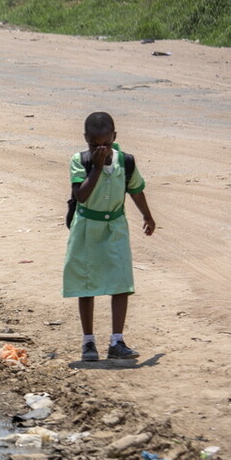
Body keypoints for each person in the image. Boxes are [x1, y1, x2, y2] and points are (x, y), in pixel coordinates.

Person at [63, 112, 155, 362]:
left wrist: (147, 216)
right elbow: (81, 196)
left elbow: (135, 190)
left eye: (106, 143)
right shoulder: (79, 160)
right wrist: (95, 166)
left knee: (121, 282)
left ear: (115, 137)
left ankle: (117, 341)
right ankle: (88, 342)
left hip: (115, 226)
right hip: (86, 227)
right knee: (86, 282)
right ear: (85, 140)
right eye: (94, 145)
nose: (100, 149)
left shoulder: (126, 162)